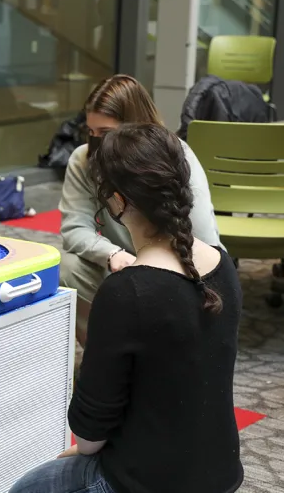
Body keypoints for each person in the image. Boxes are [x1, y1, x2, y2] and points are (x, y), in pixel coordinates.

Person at [5, 123, 243, 493]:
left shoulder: (128, 291)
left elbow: (92, 425)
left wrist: (80, 455)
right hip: (220, 488)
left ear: (117, 201)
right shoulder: (223, 265)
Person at [59, 75, 220, 346]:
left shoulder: (177, 156)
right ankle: (99, 356)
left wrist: (154, 267)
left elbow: (203, 240)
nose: (97, 143)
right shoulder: (83, 160)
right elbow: (74, 229)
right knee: (69, 267)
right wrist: (112, 254)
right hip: (120, 264)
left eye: (106, 133)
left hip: (176, 268)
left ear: (133, 127)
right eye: (91, 132)